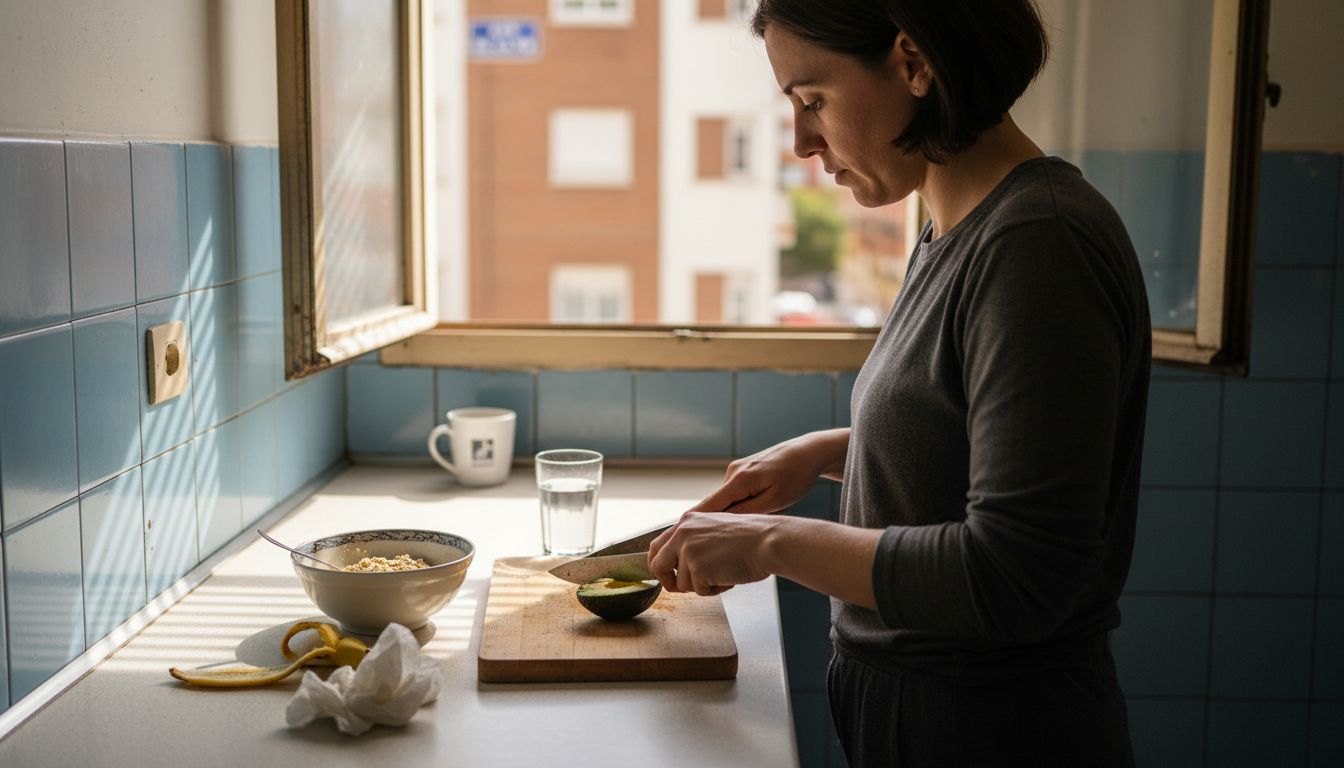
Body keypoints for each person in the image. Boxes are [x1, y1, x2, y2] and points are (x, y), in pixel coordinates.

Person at [647, 1, 1151, 765]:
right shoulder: (955, 229)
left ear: (914, 63)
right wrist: (827, 452)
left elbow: (1015, 576)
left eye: (814, 100)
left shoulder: (1039, 246)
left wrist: (769, 542)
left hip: (996, 731)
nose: (801, 141)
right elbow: (977, 438)